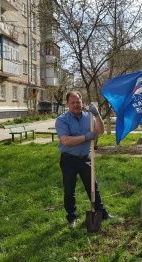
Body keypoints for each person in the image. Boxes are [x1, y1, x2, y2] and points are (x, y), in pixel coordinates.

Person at [55, 91, 111, 228]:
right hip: (69, 159)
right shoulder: (62, 120)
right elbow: (66, 140)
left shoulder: (89, 116)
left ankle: (101, 213)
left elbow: (101, 130)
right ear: (67, 104)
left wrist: (97, 115)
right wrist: (87, 137)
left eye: (78, 102)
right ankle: (72, 217)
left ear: (82, 102)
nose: (76, 104)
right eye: (72, 102)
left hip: (86, 157)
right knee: (69, 189)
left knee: (93, 186)